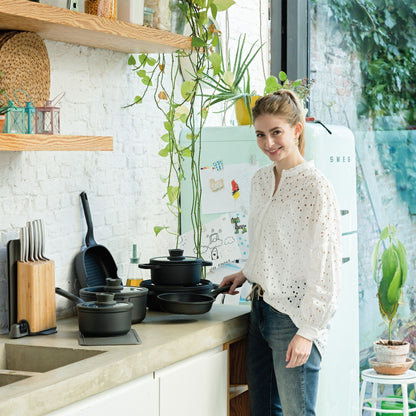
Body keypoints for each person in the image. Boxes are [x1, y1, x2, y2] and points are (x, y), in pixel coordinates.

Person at [220, 90, 342, 416]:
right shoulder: (260, 180)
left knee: (297, 413)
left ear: (296, 130)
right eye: (261, 134)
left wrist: (308, 332)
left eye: (277, 132)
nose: (269, 143)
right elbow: (267, 241)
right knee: (262, 411)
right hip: (259, 309)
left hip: (294, 319)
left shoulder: (315, 187)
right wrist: (247, 272)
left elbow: (326, 266)